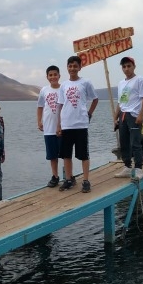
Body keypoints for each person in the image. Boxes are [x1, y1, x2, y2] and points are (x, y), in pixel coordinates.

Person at [56, 56, 98, 193]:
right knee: (66, 154)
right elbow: (60, 105)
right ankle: (69, 179)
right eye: (70, 66)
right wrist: (59, 125)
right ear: (67, 68)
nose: (72, 68)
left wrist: (89, 113)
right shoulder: (63, 85)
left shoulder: (85, 82)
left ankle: (85, 180)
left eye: (75, 66)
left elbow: (95, 99)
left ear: (80, 67)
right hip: (67, 124)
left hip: (81, 124)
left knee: (83, 154)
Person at [114, 56, 143, 180]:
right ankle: (127, 166)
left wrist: (141, 114)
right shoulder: (121, 83)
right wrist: (115, 118)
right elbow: (120, 102)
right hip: (123, 115)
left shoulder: (139, 80)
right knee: (124, 142)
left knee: (135, 142)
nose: (126, 69)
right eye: (124, 66)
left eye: (129, 66)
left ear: (134, 66)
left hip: (134, 115)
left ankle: (139, 168)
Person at [37, 65, 62, 188]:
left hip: (63, 128)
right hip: (48, 128)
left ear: (59, 76)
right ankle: (55, 176)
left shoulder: (63, 89)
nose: (53, 77)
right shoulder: (44, 90)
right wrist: (39, 121)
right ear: (47, 77)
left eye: (55, 74)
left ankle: (69, 176)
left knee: (65, 154)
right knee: (52, 156)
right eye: (50, 75)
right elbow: (40, 106)